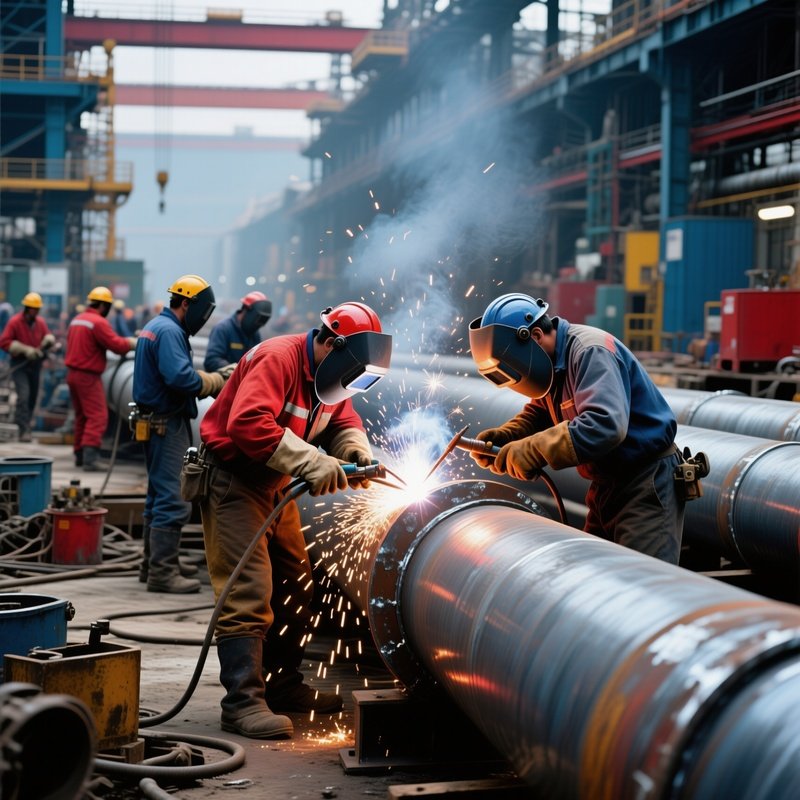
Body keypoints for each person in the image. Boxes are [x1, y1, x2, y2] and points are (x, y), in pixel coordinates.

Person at [196, 301, 392, 739]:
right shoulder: (278, 358)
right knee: (249, 588)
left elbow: (343, 417)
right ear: (330, 343)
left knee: (295, 582)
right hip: (233, 480)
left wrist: (354, 448)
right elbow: (247, 423)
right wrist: (312, 461)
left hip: (274, 485)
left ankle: (281, 685)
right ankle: (242, 703)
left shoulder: (328, 379)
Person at [468, 292, 685, 564]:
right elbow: (540, 412)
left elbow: (604, 424)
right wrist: (509, 435)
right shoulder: (552, 364)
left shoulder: (590, 352)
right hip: (606, 484)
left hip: (645, 482)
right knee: (597, 577)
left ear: (534, 336)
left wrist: (532, 450)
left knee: (643, 584)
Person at [133, 274, 233, 594]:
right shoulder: (170, 332)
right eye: (202, 310)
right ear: (187, 303)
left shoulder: (155, 326)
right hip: (166, 422)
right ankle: (162, 573)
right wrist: (217, 380)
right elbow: (181, 378)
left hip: (155, 420)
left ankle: (154, 563)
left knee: (157, 494)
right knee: (174, 498)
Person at [65, 287, 137, 471]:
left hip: (72, 374)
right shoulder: (98, 322)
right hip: (87, 376)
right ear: (104, 306)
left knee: (82, 416)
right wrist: (134, 342)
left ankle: (80, 455)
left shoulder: (77, 320)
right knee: (97, 416)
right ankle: (90, 459)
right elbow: (116, 345)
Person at [0, 293, 56, 442]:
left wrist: (48, 340)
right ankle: (23, 428)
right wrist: (24, 349)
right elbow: (4, 341)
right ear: (27, 308)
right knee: (23, 396)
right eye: (34, 309)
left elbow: (47, 335)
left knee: (32, 398)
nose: (36, 312)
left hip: (35, 366)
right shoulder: (15, 322)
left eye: (38, 309)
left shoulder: (40, 323)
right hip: (20, 365)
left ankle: (27, 427)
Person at [203, 291, 272, 370]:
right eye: (258, 320)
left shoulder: (255, 335)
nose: (259, 325)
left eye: (263, 321)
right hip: (223, 381)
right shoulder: (223, 329)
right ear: (246, 309)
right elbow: (211, 361)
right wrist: (237, 371)